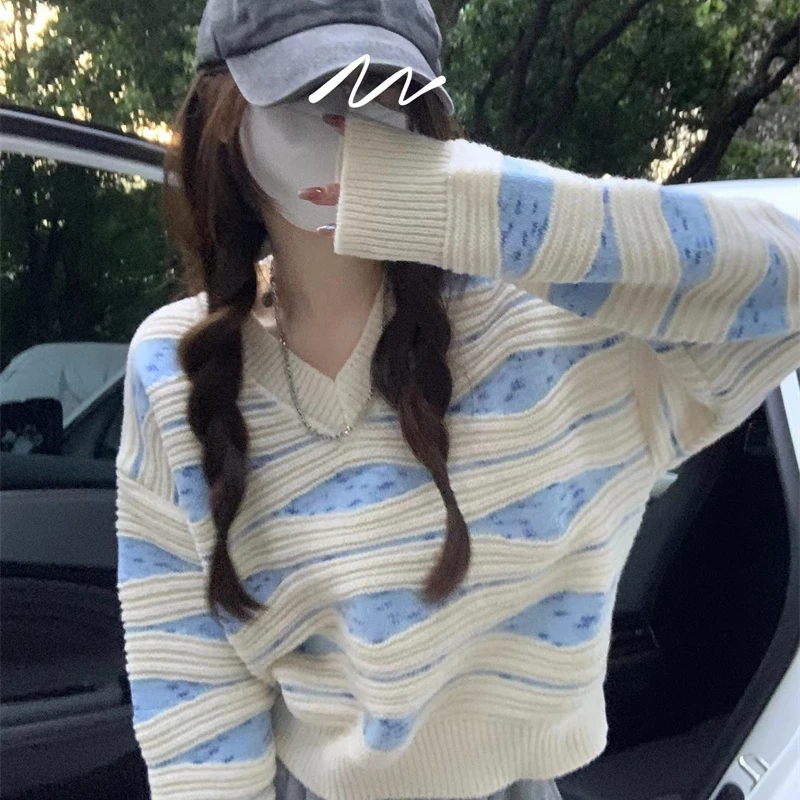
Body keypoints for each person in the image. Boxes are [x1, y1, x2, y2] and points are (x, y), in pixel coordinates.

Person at [114, 1, 800, 799]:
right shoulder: (176, 366)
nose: (349, 126)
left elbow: (785, 278)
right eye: (305, 93)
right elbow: (194, 714)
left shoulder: (545, 323)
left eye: (384, 93)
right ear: (225, 115)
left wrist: (460, 203)